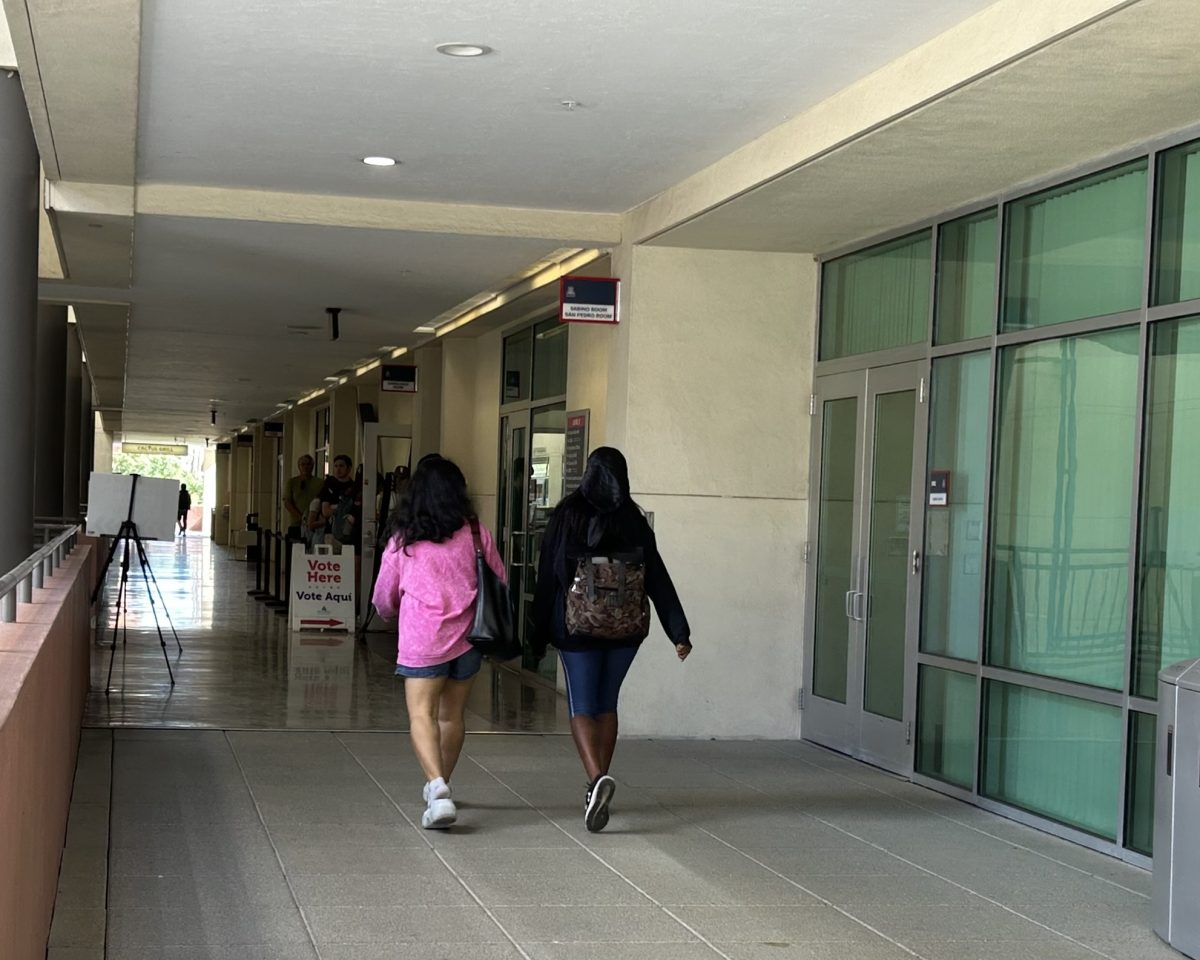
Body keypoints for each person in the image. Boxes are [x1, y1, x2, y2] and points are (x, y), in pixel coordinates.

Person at [532, 447, 691, 833]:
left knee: (582, 706)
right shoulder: (633, 520)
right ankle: (597, 784)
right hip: (625, 630)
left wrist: (535, 633)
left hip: (577, 630)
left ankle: (596, 779)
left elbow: (548, 578)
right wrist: (679, 631)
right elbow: (657, 577)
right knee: (606, 704)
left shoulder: (567, 515)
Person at [371, 455, 506, 829]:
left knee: (421, 715)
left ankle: (436, 785)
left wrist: (388, 614)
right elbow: (499, 579)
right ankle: (440, 786)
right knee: (451, 717)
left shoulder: (405, 540)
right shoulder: (476, 532)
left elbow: (384, 595)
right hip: (468, 641)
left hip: (422, 641)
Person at [282, 454, 323, 540]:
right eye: (303, 464)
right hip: (296, 524)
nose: (306, 467)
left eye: (308, 464)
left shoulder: (320, 482)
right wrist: (301, 518)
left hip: (315, 525)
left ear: (313, 466)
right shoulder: (292, 482)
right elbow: (287, 502)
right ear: (299, 466)